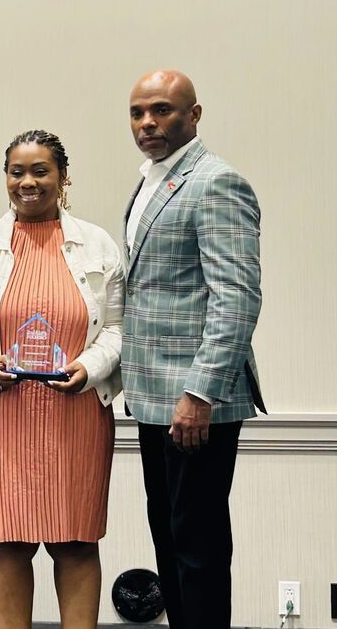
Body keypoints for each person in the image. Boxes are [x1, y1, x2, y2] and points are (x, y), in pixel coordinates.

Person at [0, 130, 123, 629]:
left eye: (41, 171)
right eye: (17, 172)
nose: (28, 182)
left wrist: (91, 368)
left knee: (76, 541)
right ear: (6, 178)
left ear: (63, 178)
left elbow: (123, 329)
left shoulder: (97, 244)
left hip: (77, 415)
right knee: (8, 542)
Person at [123, 70, 264, 629]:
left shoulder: (216, 182)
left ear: (194, 115)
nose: (148, 123)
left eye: (162, 110)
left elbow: (237, 297)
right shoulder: (155, 181)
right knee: (171, 540)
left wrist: (199, 392)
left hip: (194, 400)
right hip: (155, 398)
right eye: (137, 113)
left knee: (199, 549)